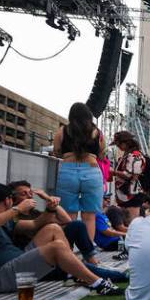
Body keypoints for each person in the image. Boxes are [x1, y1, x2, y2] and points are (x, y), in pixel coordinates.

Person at [0, 183, 122, 295]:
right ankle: (98, 284)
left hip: (16, 262)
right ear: (7, 200)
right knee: (57, 246)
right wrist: (16, 209)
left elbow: (36, 224)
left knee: (53, 229)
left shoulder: (6, 219)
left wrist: (50, 208)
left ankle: (78, 273)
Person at [53, 102, 106, 243]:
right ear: (89, 116)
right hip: (91, 170)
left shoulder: (62, 131)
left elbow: (56, 152)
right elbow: (102, 154)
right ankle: (88, 253)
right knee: (89, 216)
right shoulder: (97, 132)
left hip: (68, 171)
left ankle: (67, 250)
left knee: (68, 214)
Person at [111, 131, 146, 224]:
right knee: (127, 222)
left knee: (132, 223)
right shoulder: (128, 154)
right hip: (125, 194)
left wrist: (113, 172)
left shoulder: (135, 155)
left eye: (119, 144)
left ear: (126, 143)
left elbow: (128, 174)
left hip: (132, 195)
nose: (118, 147)